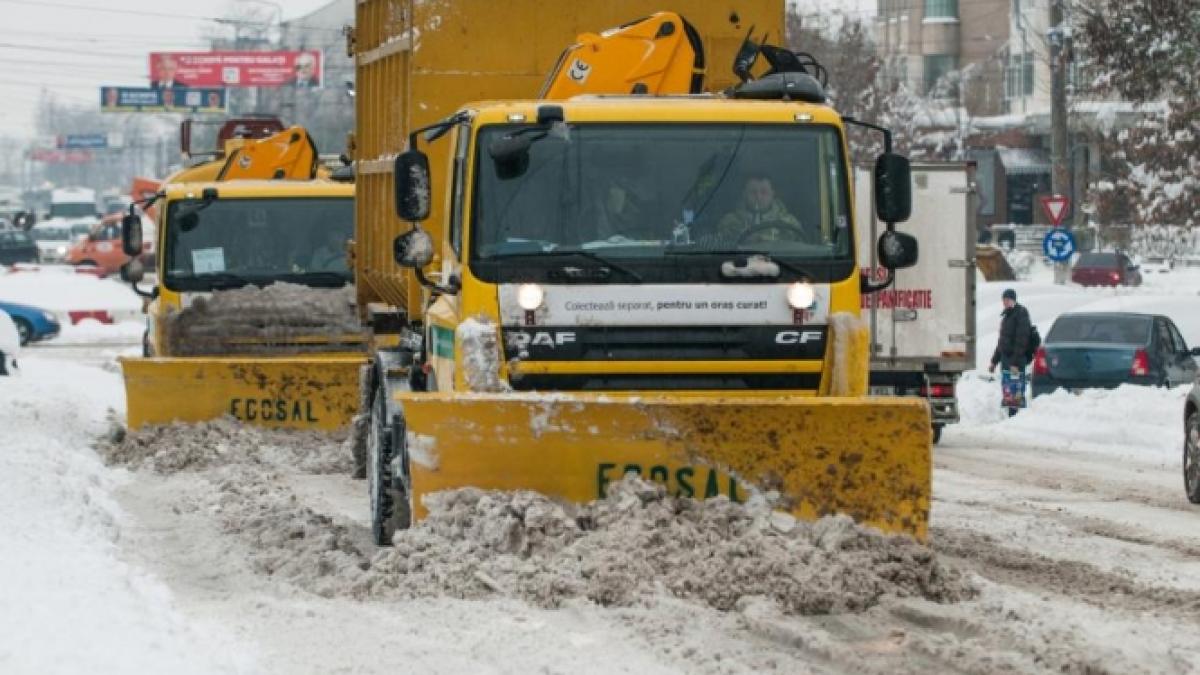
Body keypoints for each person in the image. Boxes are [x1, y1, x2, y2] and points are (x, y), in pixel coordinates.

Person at [715, 173, 813, 245]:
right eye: (753, 192)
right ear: (744, 194)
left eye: (764, 192)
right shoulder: (729, 223)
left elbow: (801, 251)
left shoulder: (790, 223)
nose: (758, 197)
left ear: (773, 194)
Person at [988, 288, 1034, 416]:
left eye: (1008, 300)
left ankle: (1017, 416)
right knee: (1008, 389)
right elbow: (1002, 342)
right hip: (1006, 359)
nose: (1005, 302)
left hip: (1016, 360)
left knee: (1016, 388)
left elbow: (1022, 340)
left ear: (1013, 300)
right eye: (1004, 300)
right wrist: (994, 361)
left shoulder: (1021, 313)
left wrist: (1015, 361)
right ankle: (1011, 414)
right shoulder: (1006, 315)